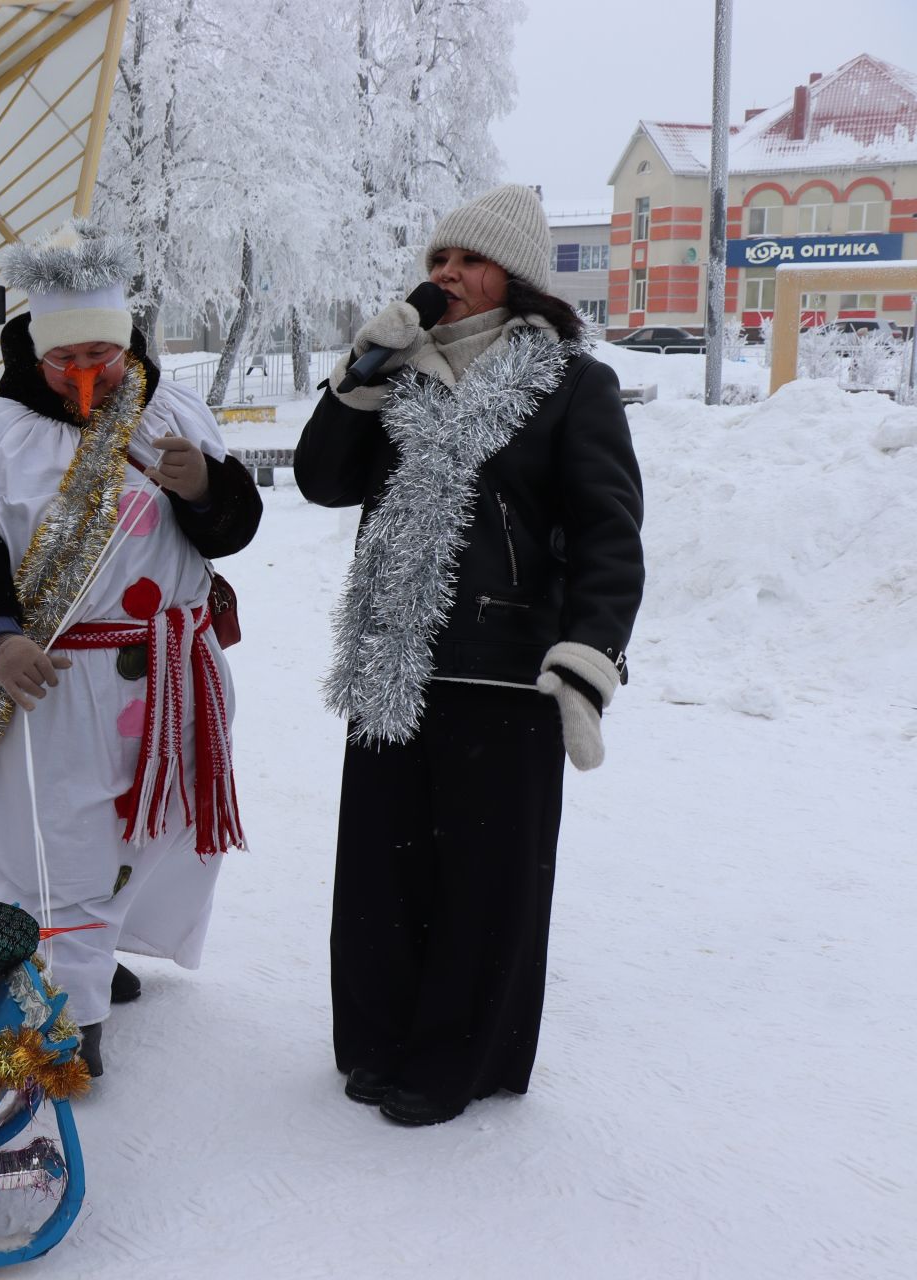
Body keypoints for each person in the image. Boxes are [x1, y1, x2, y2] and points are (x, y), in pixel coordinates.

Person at [293, 184, 644, 1126]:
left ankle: (456, 1062)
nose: (443, 276)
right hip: (391, 662)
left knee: (483, 886)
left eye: (466, 262)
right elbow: (322, 480)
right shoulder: (396, 375)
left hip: (506, 668)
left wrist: (588, 654)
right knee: (378, 874)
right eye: (437, 260)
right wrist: (361, 372)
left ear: (516, 280)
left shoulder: (572, 384)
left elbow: (608, 533)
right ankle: (374, 1043)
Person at [0, 222, 261, 1076]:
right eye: (64, 358)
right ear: (34, 353)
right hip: (62, 684)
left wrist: (207, 490)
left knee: (147, 833)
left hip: (171, 675)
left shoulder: (173, 410)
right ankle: (64, 1024)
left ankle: (92, 956)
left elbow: (232, 529)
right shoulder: (5, 431)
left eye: (103, 357)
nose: (86, 375)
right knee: (65, 843)